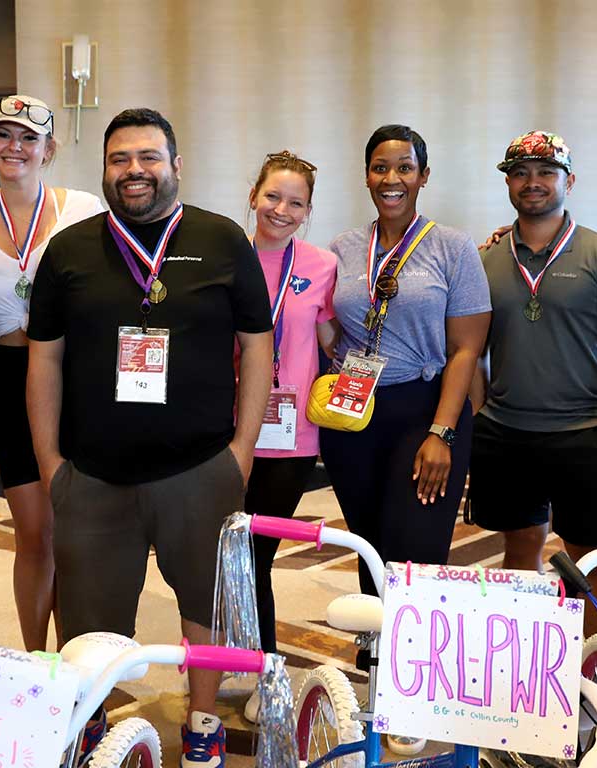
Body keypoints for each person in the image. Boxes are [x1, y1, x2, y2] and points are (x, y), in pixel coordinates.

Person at [27, 108, 272, 768]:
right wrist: (52, 464)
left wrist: (241, 449)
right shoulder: (69, 250)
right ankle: (92, 728)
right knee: (87, 621)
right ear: (105, 169)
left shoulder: (223, 241)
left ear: (175, 165)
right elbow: (43, 359)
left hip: (199, 467)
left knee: (204, 604)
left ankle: (202, 724)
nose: (133, 171)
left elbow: (257, 346)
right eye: (119, 159)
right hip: (93, 473)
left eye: (148, 157)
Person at [321, 124, 490, 754]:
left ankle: (417, 694)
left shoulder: (452, 247)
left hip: (427, 408)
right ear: (366, 175)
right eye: (380, 167)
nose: (391, 179)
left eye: (405, 168)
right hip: (355, 411)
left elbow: (467, 347)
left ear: (423, 175)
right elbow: (324, 323)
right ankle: (383, 678)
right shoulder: (341, 246)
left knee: (416, 552)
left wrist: (442, 431)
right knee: (371, 547)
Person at [467, 131, 597, 638]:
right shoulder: (486, 259)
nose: (533, 183)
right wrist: (483, 411)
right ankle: (525, 657)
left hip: (581, 432)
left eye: (546, 172)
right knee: (520, 545)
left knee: (589, 560)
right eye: (521, 173)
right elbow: (470, 348)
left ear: (569, 180)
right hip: (506, 431)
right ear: (507, 182)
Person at [0, 95, 105, 652]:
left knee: (76, 534)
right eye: (3, 135)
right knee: (34, 532)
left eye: (28, 137)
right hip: (7, 376)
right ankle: (37, 660)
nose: (15, 147)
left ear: (49, 149)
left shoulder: (83, 208)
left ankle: (78, 660)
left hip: (75, 378)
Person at [238, 150, 339, 723]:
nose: (281, 209)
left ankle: (266, 669)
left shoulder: (321, 265)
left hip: (292, 433)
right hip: (224, 431)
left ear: (307, 211)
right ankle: (237, 652)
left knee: (256, 555)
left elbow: (330, 336)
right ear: (254, 194)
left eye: (295, 202)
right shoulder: (227, 257)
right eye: (273, 196)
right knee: (222, 551)